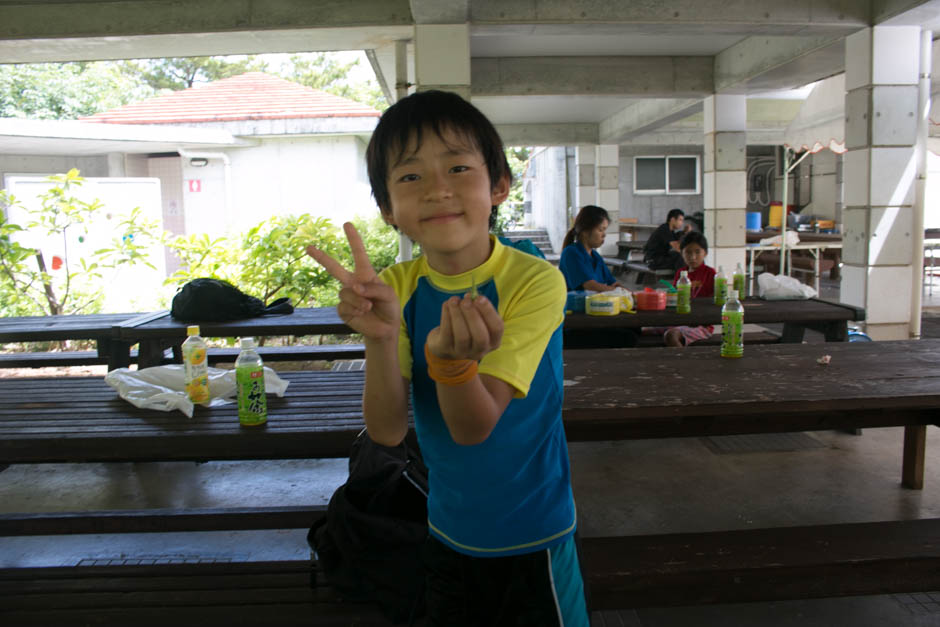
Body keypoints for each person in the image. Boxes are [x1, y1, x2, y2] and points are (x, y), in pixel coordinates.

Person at [305, 90, 588, 627]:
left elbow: (474, 427)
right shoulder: (396, 287)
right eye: (410, 177)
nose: (437, 188)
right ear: (388, 209)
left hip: (533, 534)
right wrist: (381, 336)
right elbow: (387, 432)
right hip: (445, 530)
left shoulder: (534, 281)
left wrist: (454, 367)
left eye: (458, 167)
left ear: (499, 185)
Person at [663, 231, 717, 347]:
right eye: (688, 252)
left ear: (705, 253)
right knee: (645, 331)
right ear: (681, 253)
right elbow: (674, 298)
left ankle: (682, 362)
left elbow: (716, 301)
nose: (693, 257)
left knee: (671, 336)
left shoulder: (711, 273)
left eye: (697, 252)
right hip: (679, 321)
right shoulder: (681, 273)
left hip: (702, 326)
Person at [559, 204, 620, 292]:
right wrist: (616, 291)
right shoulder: (571, 253)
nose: (604, 235)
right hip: (576, 305)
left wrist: (624, 291)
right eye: (600, 230)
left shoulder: (595, 256)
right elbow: (589, 285)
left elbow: (612, 282)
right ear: (585, 231)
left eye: (605, 230)